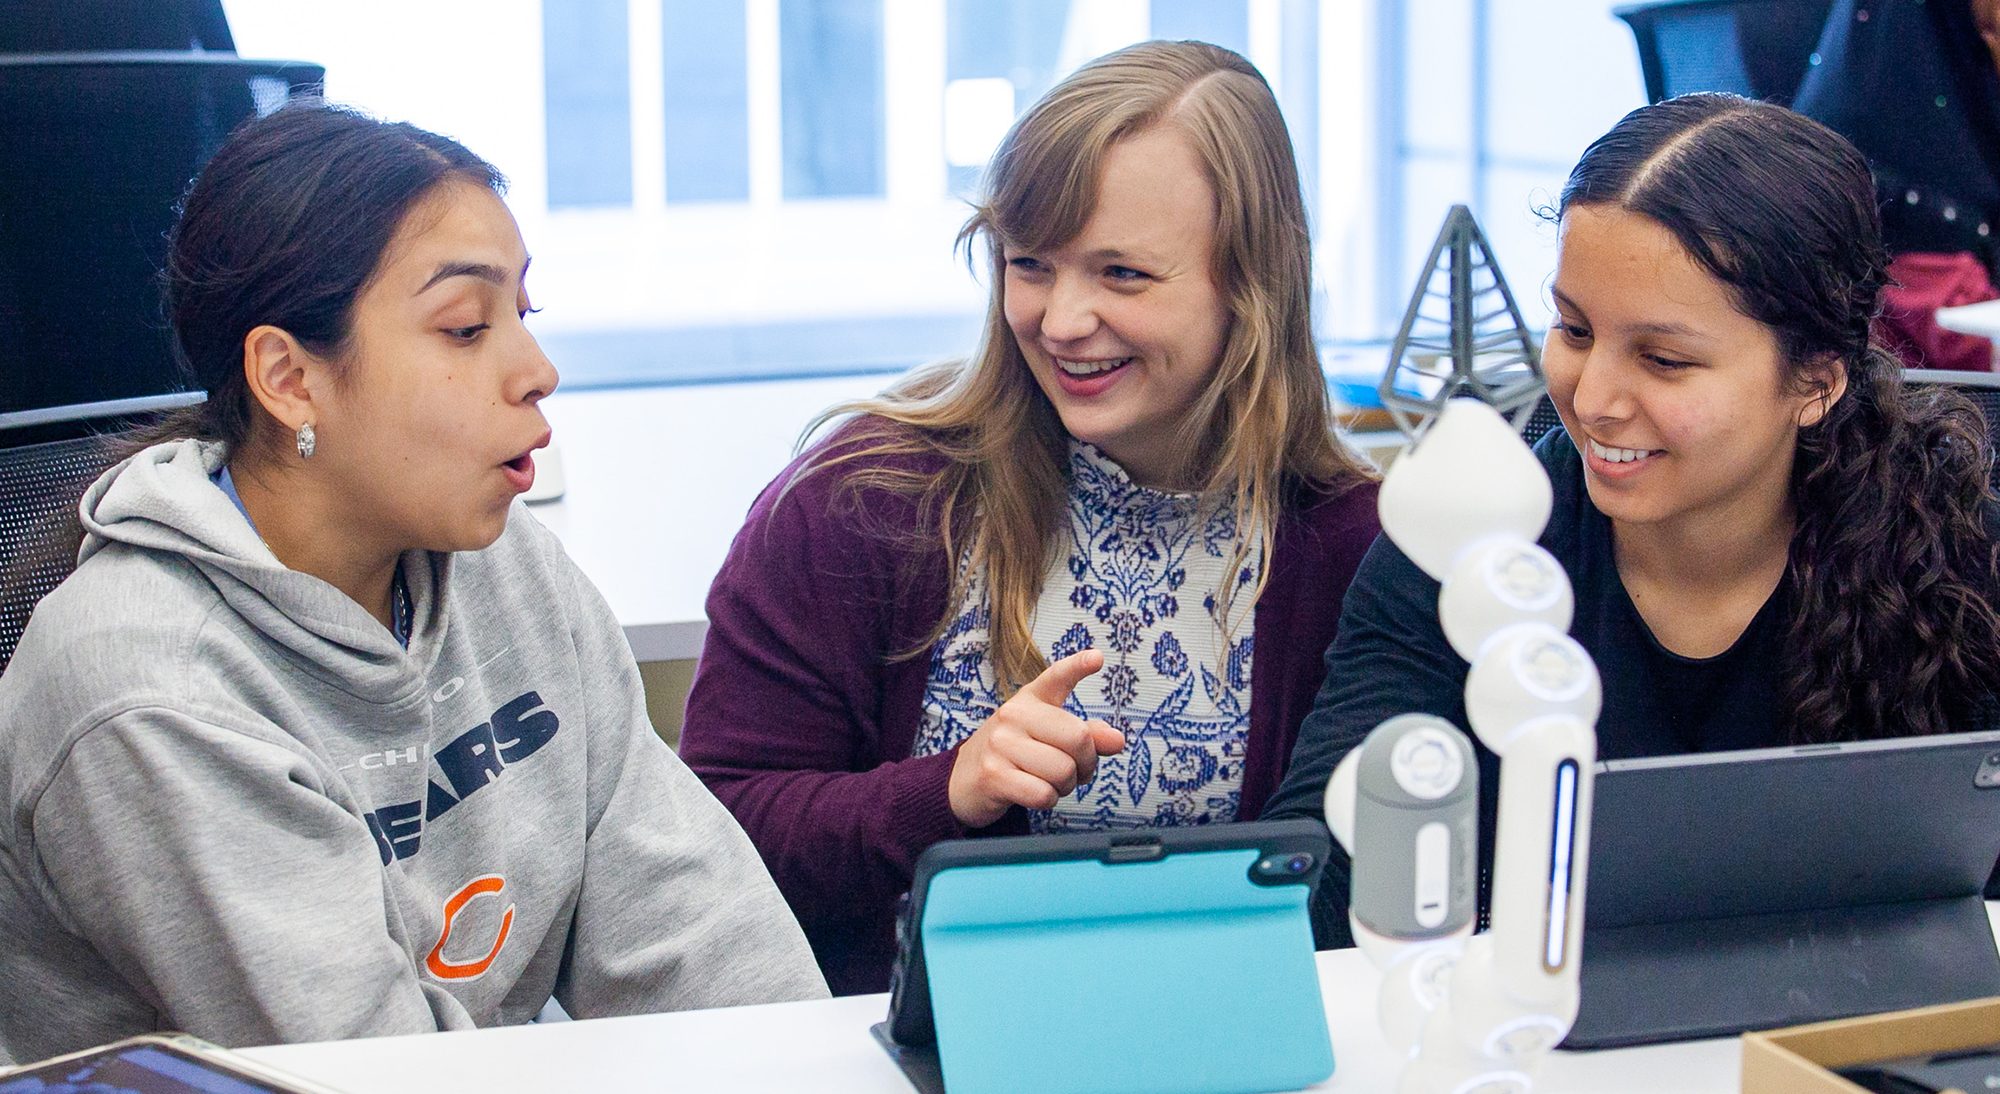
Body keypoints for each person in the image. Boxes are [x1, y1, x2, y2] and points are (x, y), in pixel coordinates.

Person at [0, 102, 825, 1064]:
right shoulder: (145, 694)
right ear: (289, 378)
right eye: (467, 328)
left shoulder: (504, 565)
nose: (538, 370)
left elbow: (698, 933)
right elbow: (373, 1073)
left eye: (524, 313)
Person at [677, 40, 1383, 994]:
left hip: (1225, 1041)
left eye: (1123, 274)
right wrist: (948, 793)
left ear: (1251, 286)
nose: (1059, 321)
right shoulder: (863, 501)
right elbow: (712, 842)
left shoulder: (1353, 544)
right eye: (1031, 263)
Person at [1262, 93, 2000, 946]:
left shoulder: (1956, 563)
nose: (1593, 399)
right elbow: (1314, 891)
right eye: (1573, 329)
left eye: (1664, 359)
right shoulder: (1465, 544)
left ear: (1817, 382)